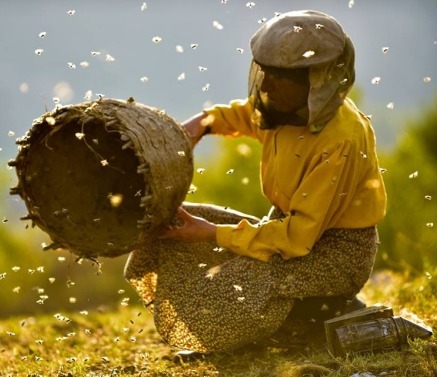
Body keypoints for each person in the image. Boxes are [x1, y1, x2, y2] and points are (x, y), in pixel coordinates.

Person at [124, 9, 387, 354]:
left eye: (279, 77)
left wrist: (211, 233)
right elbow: (244, 115)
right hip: (286, 232)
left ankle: (318, 314)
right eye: (265, 72)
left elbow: (296, 238)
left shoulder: (340, 141)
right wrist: (203, 123)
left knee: (233, 285)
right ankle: (296, 318)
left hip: (336, 255)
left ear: (317, 79)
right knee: (174, 224)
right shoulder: (285, 107)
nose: (265, 85)